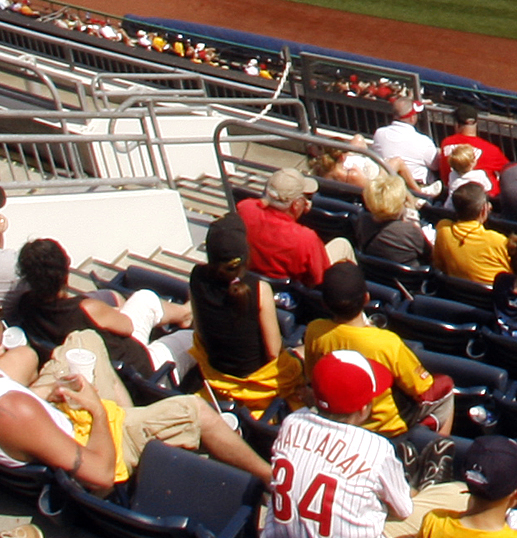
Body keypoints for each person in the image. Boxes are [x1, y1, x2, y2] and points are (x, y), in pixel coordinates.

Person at [0, 275, 264, 492]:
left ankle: (131, 416)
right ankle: (270, 480)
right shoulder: (13, 410)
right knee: (193, 409)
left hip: (40, 420)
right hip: (97, 446)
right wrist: (97, 412)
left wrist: (43, 392)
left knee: (82, 340)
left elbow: (10, 407)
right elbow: (99, 474)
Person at [258, 348, 411, 538]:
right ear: (364, 409)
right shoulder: (377, 448)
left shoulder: (292, 423)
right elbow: (403, 510)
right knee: (439, 503)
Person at [302, 261, 452, 436]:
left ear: (325, 304)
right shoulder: (387, 342)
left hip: (337, 415)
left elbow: (313, 375)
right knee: (446, 387)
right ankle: (436, 446)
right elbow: (422, 389)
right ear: (366, 298)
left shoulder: (315, 330)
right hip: (385, 428)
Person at [8, 238, 181, 386]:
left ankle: (184, 313)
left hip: (110, 370)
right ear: (65, 273)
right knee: (155, 307)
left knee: (144, 299)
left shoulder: (26, 306)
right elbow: (128, 327)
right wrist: (112, 311)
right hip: (142, 370)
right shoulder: (86, 309)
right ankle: (187, 313)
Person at [188, 214, 301, 412]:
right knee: (304, 350)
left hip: (216, 376)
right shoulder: (259, 289)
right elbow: (274, 352)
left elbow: (199, 329)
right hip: (258, 385)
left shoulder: (196, 276)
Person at [236, 166, 346, 285]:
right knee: (343, 245)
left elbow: (255, 205)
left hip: (250, 282)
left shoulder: (245, 209)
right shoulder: (306, 239)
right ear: (296, 204)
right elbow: (320, 280)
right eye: (306, 197)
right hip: (293, 295)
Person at [431, 185, 511, 285]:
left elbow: (439, 265)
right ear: (483, 210)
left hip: (456, 294)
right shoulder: (499, 241)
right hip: (491, 298)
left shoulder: (443, 229)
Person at [359, 171, 431, 269]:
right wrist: (414, 217)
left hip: (376, 276)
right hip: (408, 281)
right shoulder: (410, 230)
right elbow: (431, 256)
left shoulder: (363, 220)